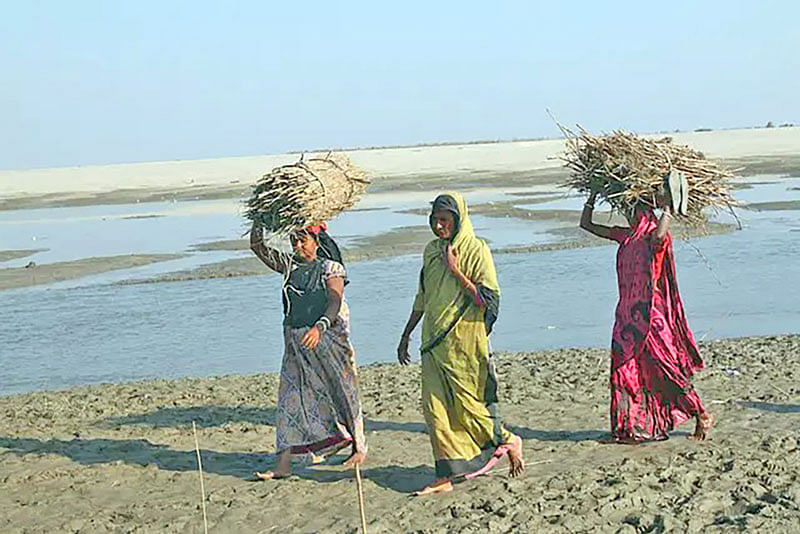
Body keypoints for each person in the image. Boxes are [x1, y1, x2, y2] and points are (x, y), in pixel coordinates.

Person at [397, 192, 524, 496]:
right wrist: (406, 334)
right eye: (436, 221)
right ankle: (446, 475)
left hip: (465, 341)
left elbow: (488, 299)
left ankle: (508, 438)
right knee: (434, 410)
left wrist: (456, 270)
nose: (440, 227)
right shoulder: (430, 251)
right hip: (432, 341)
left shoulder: (476, 250)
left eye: (445, 221)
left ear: (459, 219)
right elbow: (423, 297)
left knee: (467, 407)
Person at [579, 186, 714, 443]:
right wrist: (593, 196)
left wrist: (668, 209)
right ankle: (627, 428)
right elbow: (586, 225)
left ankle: (701, 413)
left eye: (631, 210)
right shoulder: (625, 236)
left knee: (667, 369)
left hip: (653, 317)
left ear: (642, 212)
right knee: (623, 370)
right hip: (627, 316)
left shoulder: (653, 237)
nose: (626, 214)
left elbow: (661, 235)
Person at [249, 221, 366, 479]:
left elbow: (335, 299)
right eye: (294, 241)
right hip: (294, 341)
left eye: (304, 241)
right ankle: (283, 463)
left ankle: (358, 446)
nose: (299, 246)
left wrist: (320, 326)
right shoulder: (290, 267)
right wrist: (260, 220)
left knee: (342, 389)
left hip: (326, 338)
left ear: (317, 241)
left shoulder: (330, 268)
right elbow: (257, 246)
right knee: (290, 398)